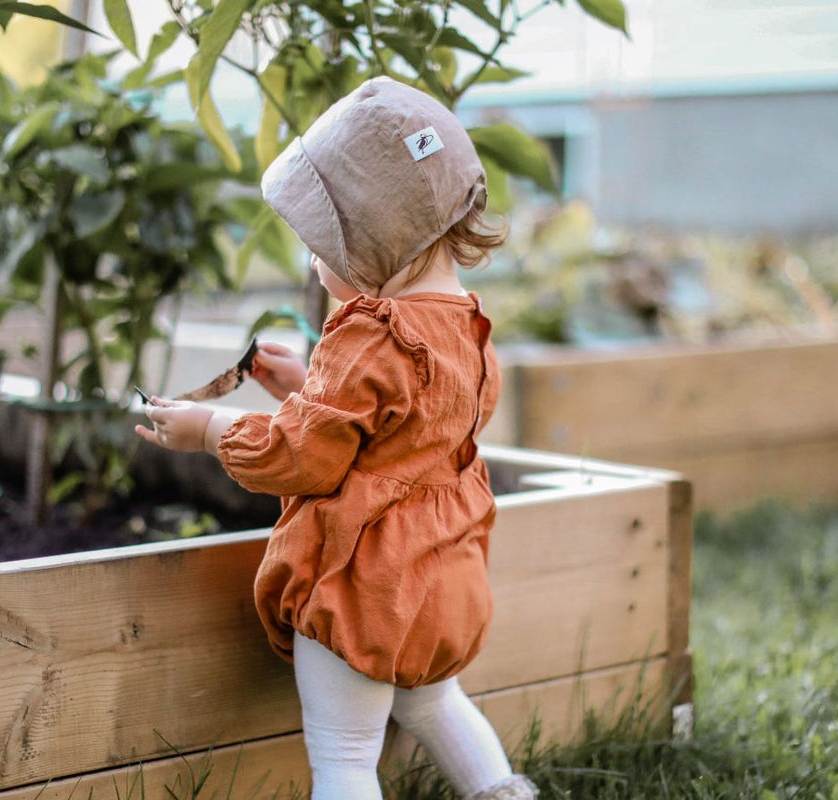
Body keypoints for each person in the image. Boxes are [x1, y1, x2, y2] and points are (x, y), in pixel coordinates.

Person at [135, 77, 537, 800]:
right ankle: (502, 793)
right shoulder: (469, 327)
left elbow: (302, 458)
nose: (315, 266)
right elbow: (403, 434)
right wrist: (306, 390)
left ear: (373, 239)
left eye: (321, 248)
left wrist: (209, 428)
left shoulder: (369, 331)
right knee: (436, 701)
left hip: (366, 585)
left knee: (348, 756)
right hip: (444, 577)